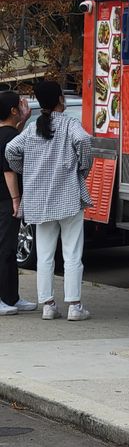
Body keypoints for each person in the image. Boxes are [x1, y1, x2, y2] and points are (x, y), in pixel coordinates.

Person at [5, 80, 94, 321]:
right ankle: (74, 306)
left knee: (44, 254)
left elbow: (11, 150)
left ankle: (48, 305)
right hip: (68, 197)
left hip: (39, 199)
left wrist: (26, 170)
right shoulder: (69, 124)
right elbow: (84, 141)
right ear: (60, 100)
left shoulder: (32, 128)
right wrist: (82, 168)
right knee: (72, 253)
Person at [0, 90, 37, 317]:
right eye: (20, 105)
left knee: (10, 248)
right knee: (5, 249)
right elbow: (9, 170)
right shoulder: (9, 136)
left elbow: (13, 139)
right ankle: (3, 298)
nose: (24, 107)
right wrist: (16, 199)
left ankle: (11, 297)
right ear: (13, 110)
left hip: (5, 199)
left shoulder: (8, 134)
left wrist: (23, 120)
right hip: (6, 199)